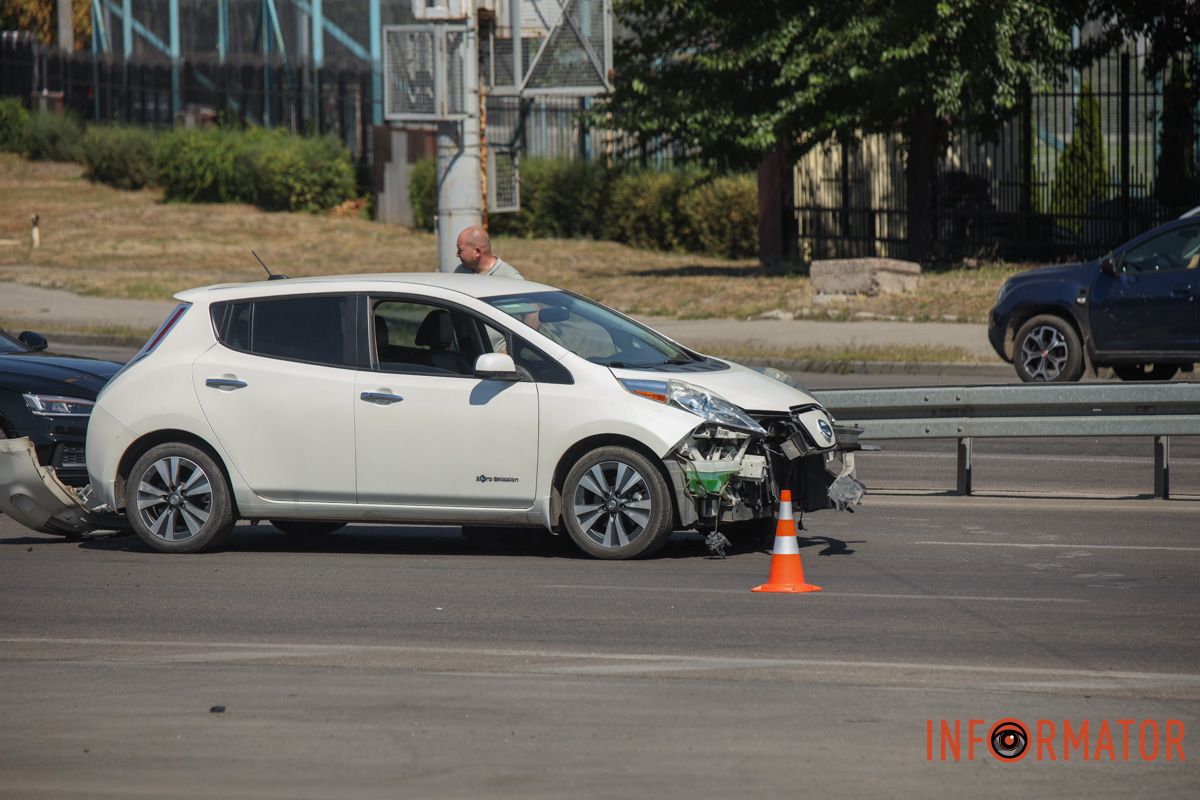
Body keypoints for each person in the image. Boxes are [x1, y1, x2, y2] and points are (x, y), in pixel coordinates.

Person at [454, 226, 524, 278]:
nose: (457, 255)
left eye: (460, 250)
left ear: (477, 252)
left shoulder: (510, 278)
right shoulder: (460, 271)